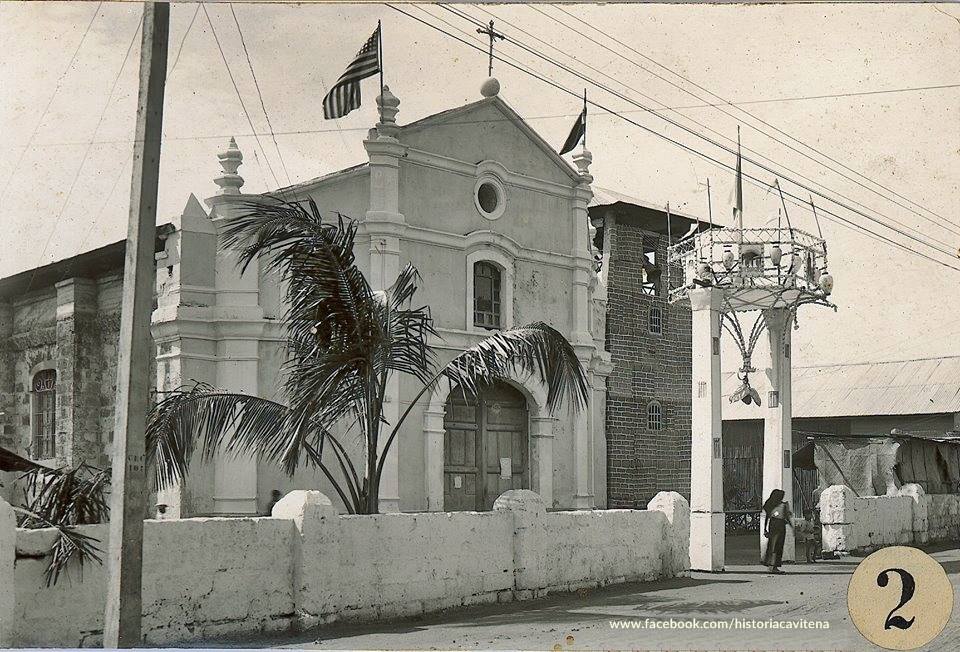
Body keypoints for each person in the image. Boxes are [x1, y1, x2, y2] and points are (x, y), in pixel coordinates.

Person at [762, 489, 792, 573]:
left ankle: (770, 565)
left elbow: (767, 518)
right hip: (780, 526)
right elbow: (787, 517)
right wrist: (792, 527)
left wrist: (765, 529)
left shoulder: (771, 505)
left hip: (772, 525)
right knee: (778, 546)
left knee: (772, 545)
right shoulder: (783, 505)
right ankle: (774, 567)